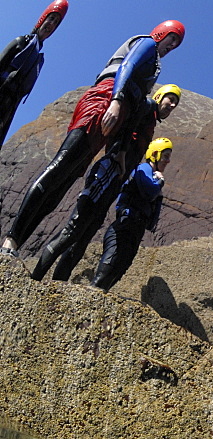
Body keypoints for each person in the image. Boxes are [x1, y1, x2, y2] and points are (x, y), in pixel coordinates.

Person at [1, 20, 185, 257]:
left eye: (176, 43)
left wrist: (118, 151)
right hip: (103, 102)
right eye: (172, 38)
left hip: (114, 116)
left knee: (63, 184)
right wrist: (117, 99)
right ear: (163, 33)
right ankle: (10, 239)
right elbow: (127, 66)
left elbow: (135, 110)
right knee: (60, 166)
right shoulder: (147, 44)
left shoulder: (153, 70)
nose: (172, 45)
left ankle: (16, 246)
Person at [30, 83, 181, 281]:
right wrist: (121, 154)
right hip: (108, 171)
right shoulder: (146, 106)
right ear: (160, 96)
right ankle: (35, 280)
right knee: (74, 228)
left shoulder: (151, 121)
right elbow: (126, 124)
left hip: (114, 180)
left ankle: (56, 287)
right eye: (171, 99)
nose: (172, 106)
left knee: (83, 237)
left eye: (176, 103)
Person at [90, 137, 171, 290]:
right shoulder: (144, 169)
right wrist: (160, 182)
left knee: (119, 270)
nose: (168, 161)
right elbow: (150, 190)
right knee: (108, 269)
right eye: (165, 156)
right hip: (125, 225)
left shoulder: (152, 174)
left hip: (135, 228)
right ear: (155, 154)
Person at [0, 1, 69, 147]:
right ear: (42, 19)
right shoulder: (21, 42)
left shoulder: (38, 58)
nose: (51, 24)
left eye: (56, 23)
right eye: (51, 19)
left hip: (9, 107)